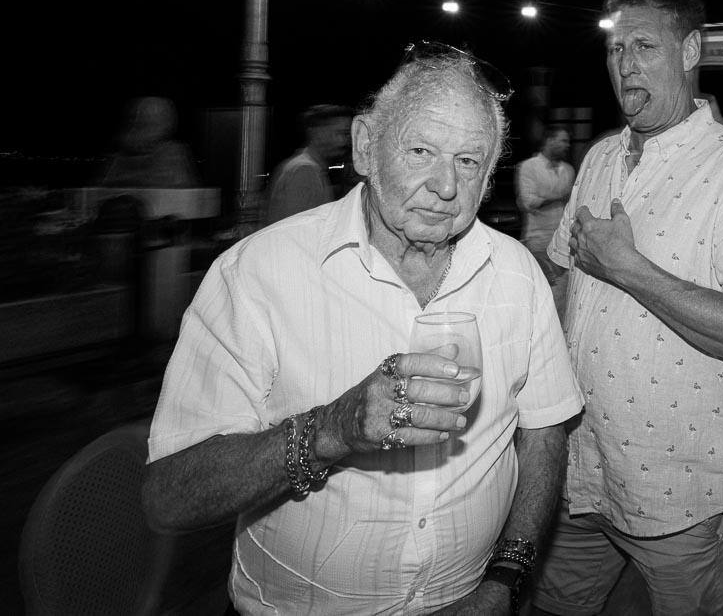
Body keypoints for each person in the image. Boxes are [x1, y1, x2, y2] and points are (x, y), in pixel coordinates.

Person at [144, 45, 584, 615]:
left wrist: (508, 576)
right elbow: (170, 495)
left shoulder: (519, 275)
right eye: (421, 150)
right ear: (365, 146)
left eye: (470, 162)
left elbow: (544, 431)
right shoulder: (257, 273)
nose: (445, 185)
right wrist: (332, 429)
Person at [531, 0, 723, 616]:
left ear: (690, 50)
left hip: (682, 488)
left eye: (644, 46)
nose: (624, 64)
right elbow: (566, 276)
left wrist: (630, 269)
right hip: (583, 467)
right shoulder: (597, 159)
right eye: (615, 48)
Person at [265, 104, 354, 225]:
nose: (345, 141)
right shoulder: (304, 171)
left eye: (347, 135)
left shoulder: (310, 168)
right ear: (317, 133)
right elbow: (294, 229)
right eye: (340, 133)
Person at [517, 125, 575, 278]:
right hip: (538, 239)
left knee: (561, 289)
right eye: (563, 141)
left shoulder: (568, 170)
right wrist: (559, 197)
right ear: (550, 141)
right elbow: (528, 202)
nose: (567, 145)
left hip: (563, 239)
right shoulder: (529, 166)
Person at [102, 95, 199, 188]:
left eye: (154, 122)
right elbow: (103, 187)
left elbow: (180, 188)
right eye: (142, 122)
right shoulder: (120, 157)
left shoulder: (174, 153)